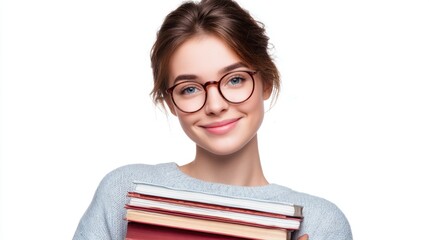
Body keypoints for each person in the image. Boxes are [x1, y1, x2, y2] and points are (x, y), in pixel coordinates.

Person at [73, 0, 352, 239]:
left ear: (266, 81)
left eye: (235, 79)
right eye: (190, 89)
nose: (216, 106)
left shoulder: (319, 223)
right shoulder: (124, 191)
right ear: (170, 101)